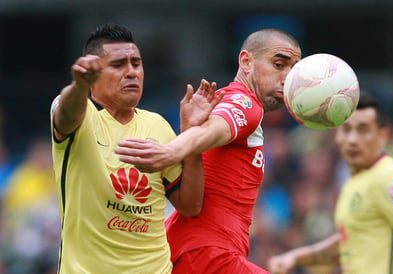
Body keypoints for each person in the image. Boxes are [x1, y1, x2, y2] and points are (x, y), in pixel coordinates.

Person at [115, 28, 302, 273]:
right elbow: (214, 129)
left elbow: (203, 138)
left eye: (294, 70)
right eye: (279, 64)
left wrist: (184, 138)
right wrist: (170, 152)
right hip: (207, 254)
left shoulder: (225, 101)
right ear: (246, 61)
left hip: (194, 251)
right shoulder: (245, 103)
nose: (288, 77)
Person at [50, 23, 221, 273]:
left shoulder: (158, 125)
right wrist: (79, 86)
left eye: (136, 63)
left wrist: (192, 133)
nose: (131, 72)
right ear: (93, 73)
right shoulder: (81, 114)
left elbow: (190, 205)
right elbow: (66, 113)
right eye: (118, 65)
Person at [266, 94, 393, 274]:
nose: (352, 140)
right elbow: (350, 241)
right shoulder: (356, 181)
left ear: (383, 136)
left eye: (363, 130)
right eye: (346, 129)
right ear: (337, 135)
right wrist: (296, 257)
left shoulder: (388, 177)